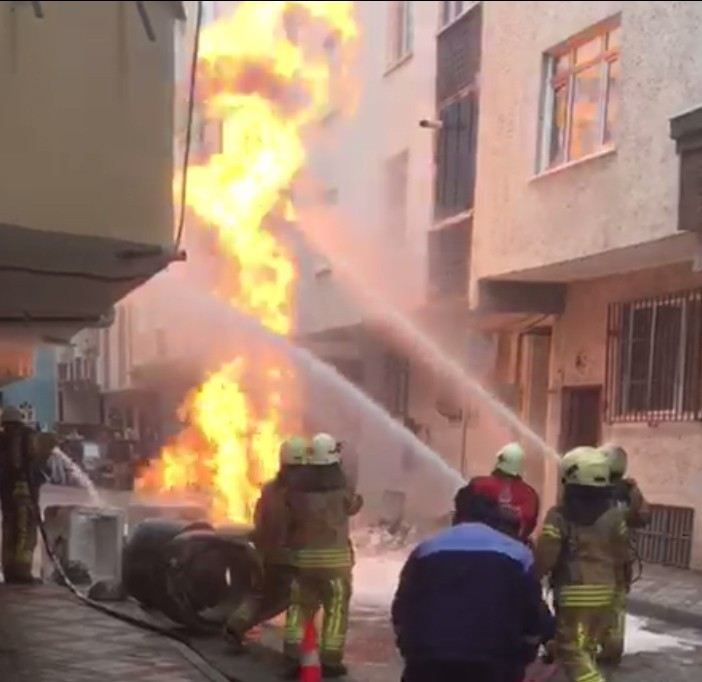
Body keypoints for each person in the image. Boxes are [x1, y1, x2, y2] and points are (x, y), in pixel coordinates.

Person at [392, 485, 551, 682]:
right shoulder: (519, 555)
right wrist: (524, 656)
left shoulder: (426, 550)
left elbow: (402, 608)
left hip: (429, 661)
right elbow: (532, 617)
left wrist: (411, 649)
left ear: (457, 515)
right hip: (494, 663)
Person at [535, 446, 629, 682]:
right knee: (587, 650)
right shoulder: (615, 516)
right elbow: (623, 556)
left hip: (574, 592)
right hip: (606, 592)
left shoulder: (558, 516)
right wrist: (619, 590)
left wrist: (531, 578)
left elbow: (546, 555)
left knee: (571, 651)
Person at [283, 432, 363, 679]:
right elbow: (355, 505)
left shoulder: (296, 493)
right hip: (336, 565)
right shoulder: (341, 491)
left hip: (304, 562)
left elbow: (289, 519)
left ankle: (293, 655)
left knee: (299, 607)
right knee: (336, 609)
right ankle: (330, 660)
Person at [224, 436, 307, 651]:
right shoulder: (302, 493)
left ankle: (236, 624)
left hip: (268, 554)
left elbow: (259, 519)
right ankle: (295, 649)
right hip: (291, 556)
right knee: (293, 600)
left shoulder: (270, 489)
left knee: (260, 595)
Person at [597, 443, 651, 665]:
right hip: (621, 560)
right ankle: (612, 648)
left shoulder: (592, 487)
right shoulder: (630, 491)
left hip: (595, 558)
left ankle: (590, 646)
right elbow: (644, 516)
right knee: (616, 604)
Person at [0, 406, 42, 583]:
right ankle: (22, 571)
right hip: (24, 491)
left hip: (6, 493)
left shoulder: (2, 439)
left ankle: (8, 569)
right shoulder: (26, 436)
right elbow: (32, 464)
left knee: (9, 529)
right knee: (26, 530)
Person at [468, 442, 540, 544]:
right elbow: (529, 524)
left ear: (499, 460)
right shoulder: (530, 494)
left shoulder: (477, 484)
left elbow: (464, 512)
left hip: (477, 545)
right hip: (513, 550)